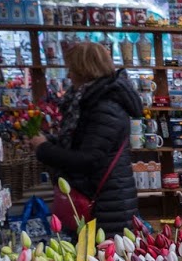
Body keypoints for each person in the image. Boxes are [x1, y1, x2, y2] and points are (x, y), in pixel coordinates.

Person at [34, 41, 141, 230]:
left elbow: (89, 159)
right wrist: (50, 142)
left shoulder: (104, 106)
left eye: (72, 69)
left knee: (104, 257)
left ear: (85, 70)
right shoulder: (91, 100)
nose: (68, 74)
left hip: (106, 205)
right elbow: (84, 143)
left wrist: (44, 149)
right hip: (100, 198)